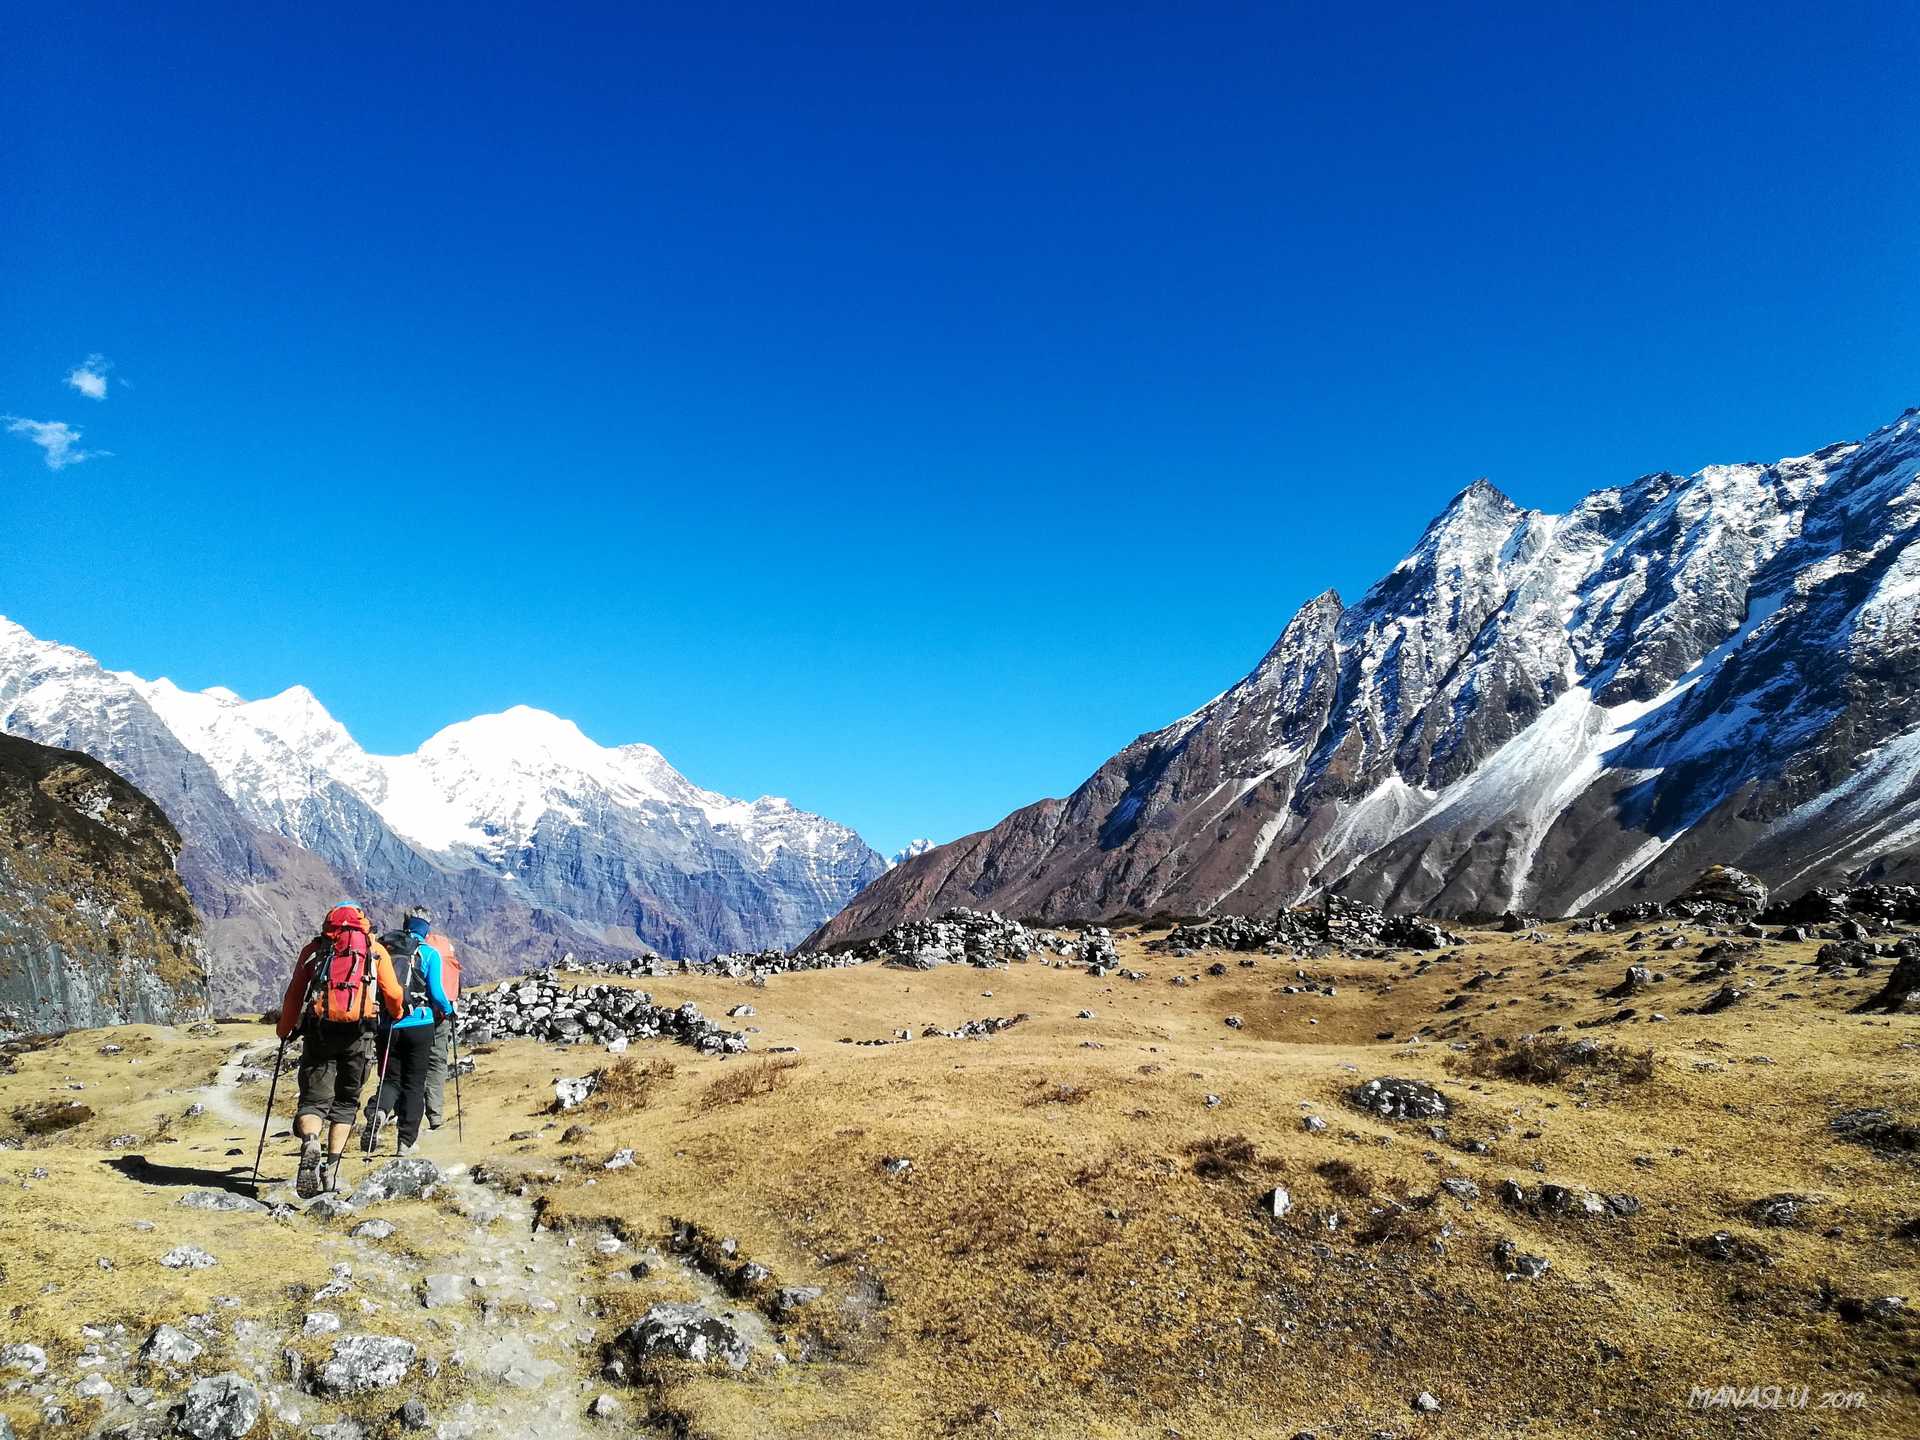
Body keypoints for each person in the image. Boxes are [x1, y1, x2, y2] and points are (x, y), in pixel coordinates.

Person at [277, 904, 404, 1198]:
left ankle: (310, 1139)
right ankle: (331, 1171)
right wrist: (394, 1014)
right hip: (359, 1036)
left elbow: (295, 993)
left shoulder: (316, 950)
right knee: (346, 1103)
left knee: (312, 1101)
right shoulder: (374, 950)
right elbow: (394, 993)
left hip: (321, 1032)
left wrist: (284, 1030)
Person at [363, 907, 455, 1156]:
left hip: (388, 1025)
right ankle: (405, 1143)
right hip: (420, 1025)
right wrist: (448, 1010)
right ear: (427, 928)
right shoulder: (429, 953)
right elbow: (436, 993)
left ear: (406, 924)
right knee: (414, 1084)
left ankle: (379, 1112)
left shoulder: (384, 950)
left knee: (390, 1079)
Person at [422, 927, 463, 1131]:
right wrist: (448, 1009)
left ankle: (403, 1110)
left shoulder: (420, 950)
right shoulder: (446, 951)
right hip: (441, 1015)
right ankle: (435, 1114)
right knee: (437, 1063)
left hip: (416, 1015)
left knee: (411, 1062)